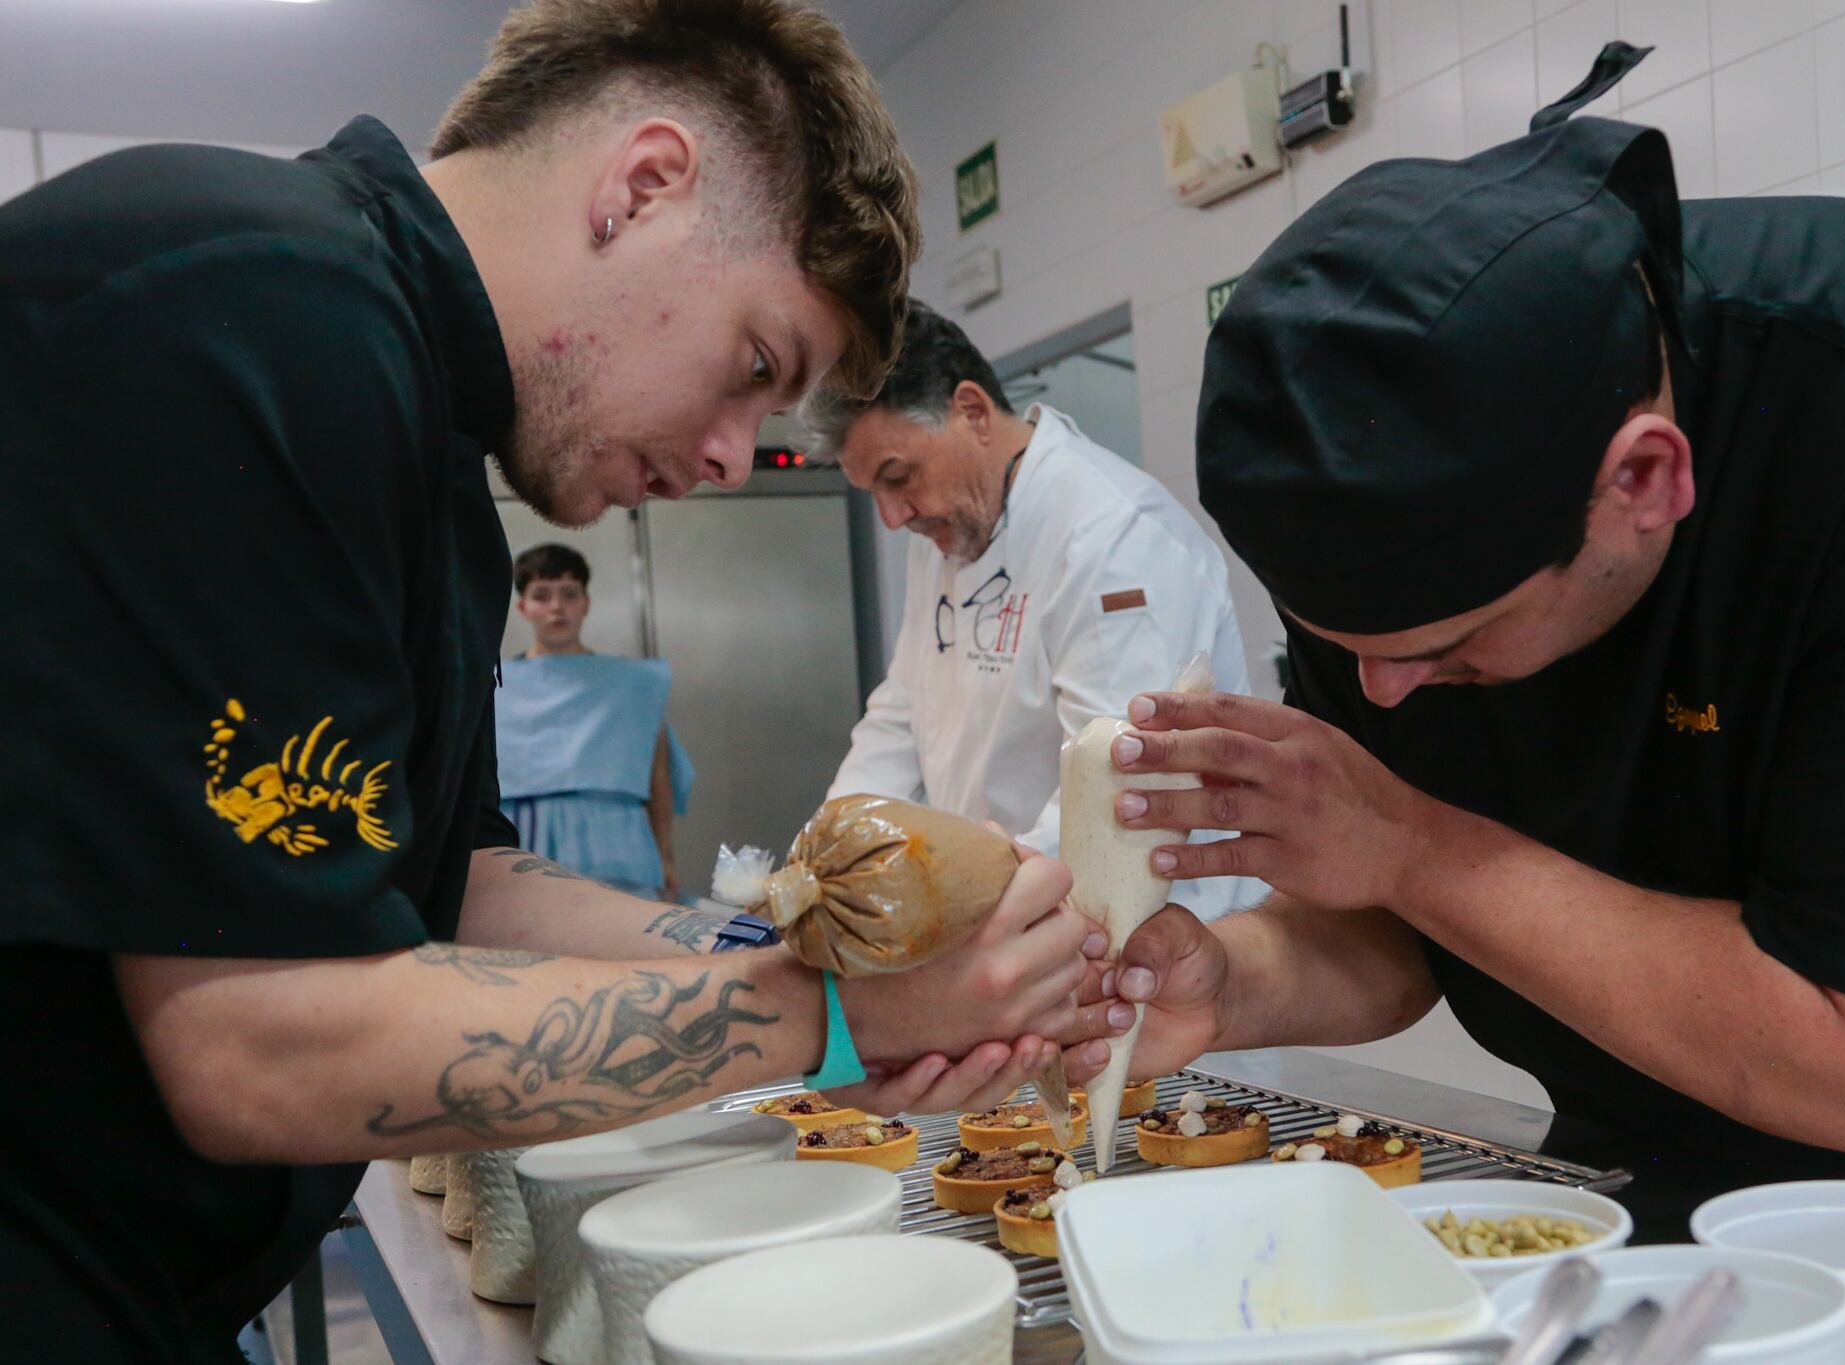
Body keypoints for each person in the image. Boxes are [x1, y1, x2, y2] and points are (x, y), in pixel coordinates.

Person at [0, 4, 1097, 1360]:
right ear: (644, 188)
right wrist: (831, 1017)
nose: (734, 460)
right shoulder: (260, 308)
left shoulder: (420, 444)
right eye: (757, 366)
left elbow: (457, 879)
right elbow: (262, 1041)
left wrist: (790, 946)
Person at [1064, 57, 1845, 1238]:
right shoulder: (1374, 496)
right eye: (1344, 649)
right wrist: (1232, 983)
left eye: (1449, 643)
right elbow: (1406, 932)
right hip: (1632, 1168)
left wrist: (1406, 842)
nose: (1385, 690)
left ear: (1644, 480)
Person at [807, 300, 1259, 920]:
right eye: (873, 492)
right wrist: (830, 861)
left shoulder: (1111, 538)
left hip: (1151, 924)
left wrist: (963, 899)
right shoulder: (953, 526)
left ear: (971, 411)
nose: (893, 517)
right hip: (1014, 908)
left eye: (898, 476)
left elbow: (1114, 783)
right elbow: (900, 713)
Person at [499, 542, 693, 900]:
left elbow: (658, 776)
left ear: (586, 603)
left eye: (569, 594)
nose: (557, 607)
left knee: (623, 943)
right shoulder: (495, 687)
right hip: (524, 836)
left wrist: (666, 858)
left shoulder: (632, 684)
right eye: (542, 595)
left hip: (618, 842)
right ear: (523, 607)